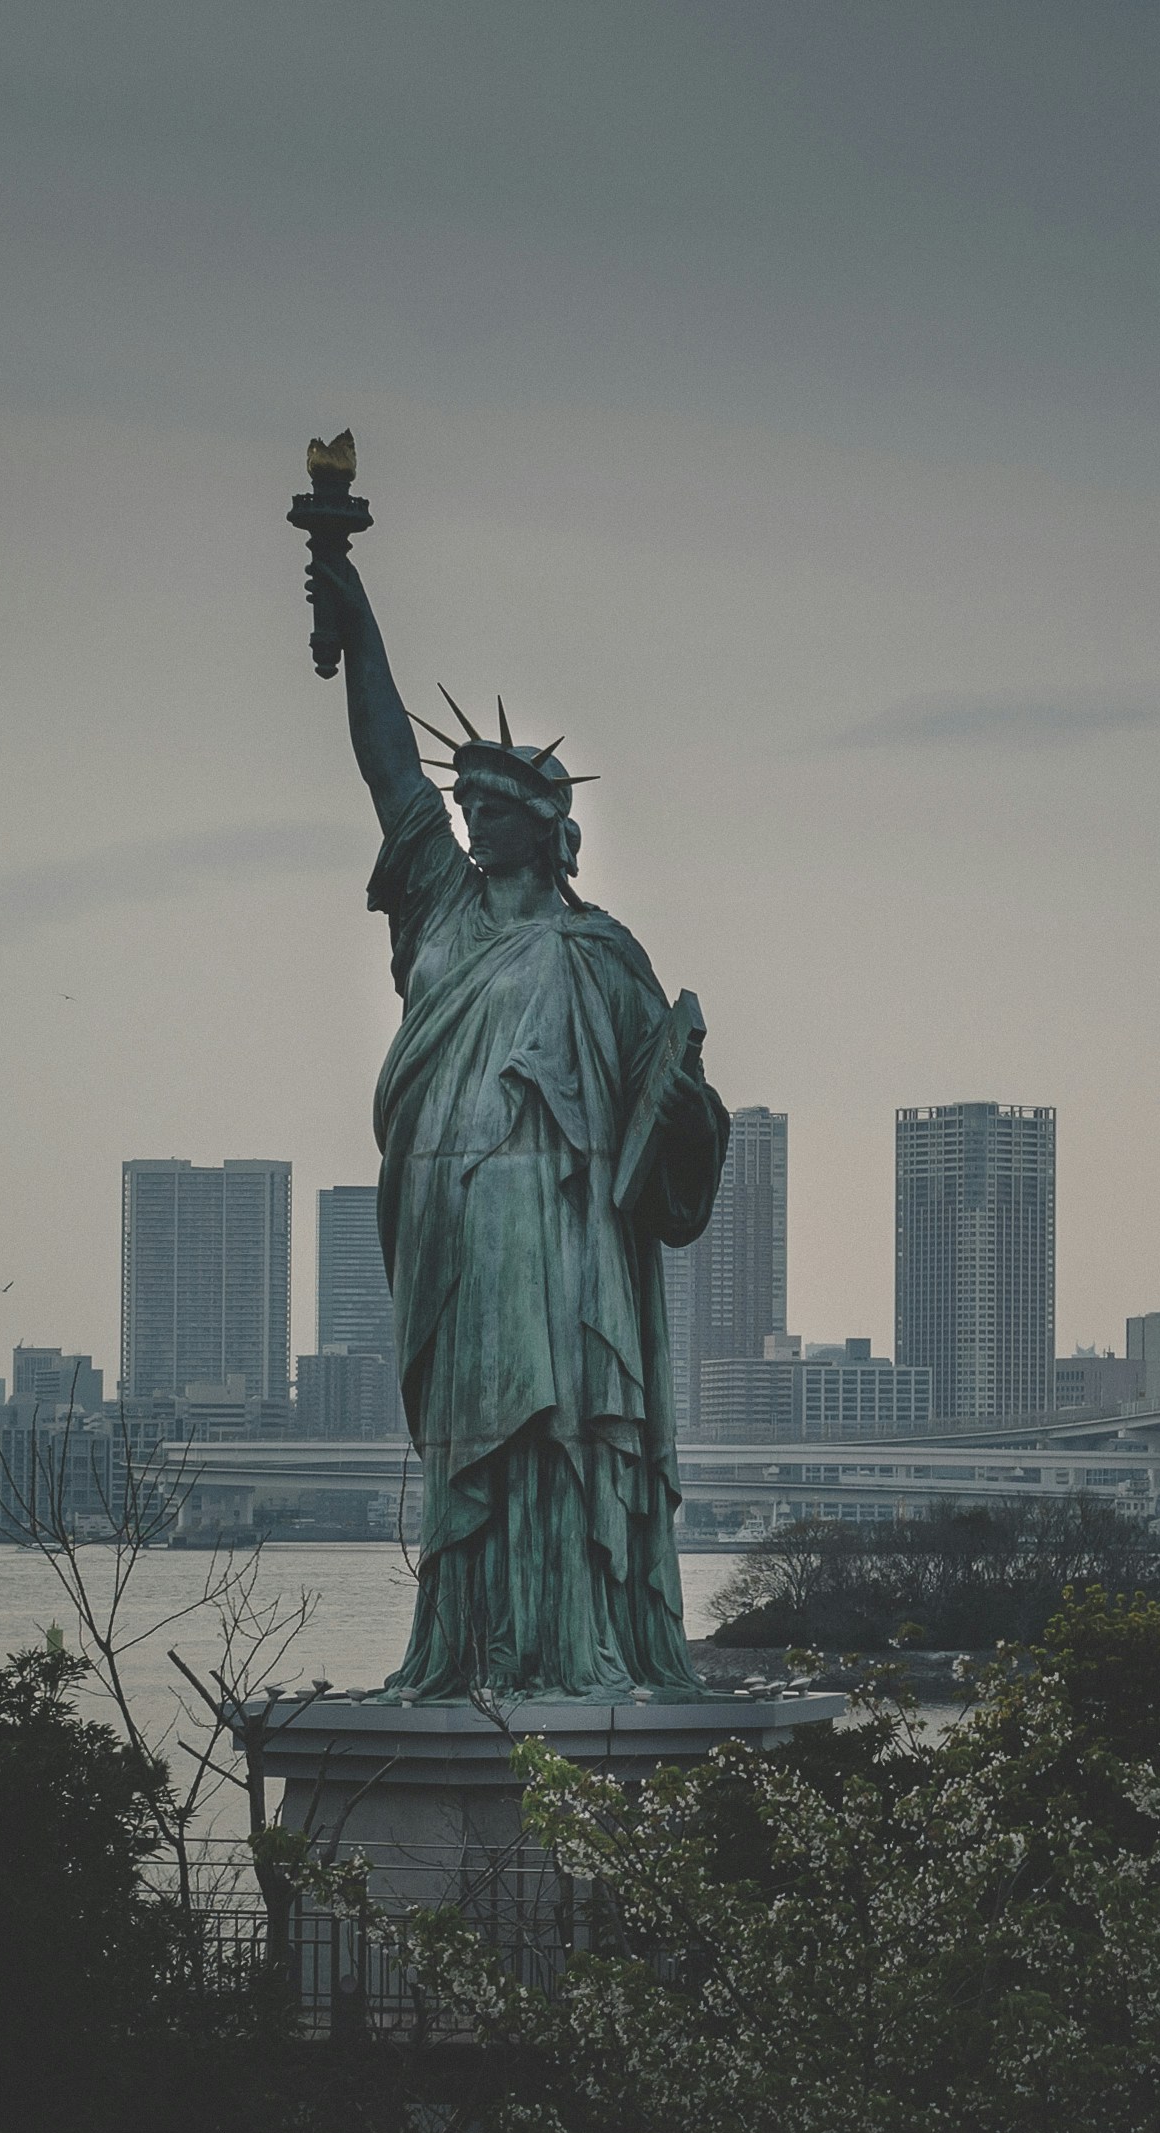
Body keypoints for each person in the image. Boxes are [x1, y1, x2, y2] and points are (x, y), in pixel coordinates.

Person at [307, 546, 725, 1700]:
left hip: (561, 1229)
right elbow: (389, 769)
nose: (473, 824)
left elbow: (667, 1119)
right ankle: (469, 1643)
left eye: (495, 812)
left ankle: (564, 1639)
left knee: (557, 1426)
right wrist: (358, 615)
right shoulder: (439, 908)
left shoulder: (601, 954)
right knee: (468, 1437)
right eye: (468, 810)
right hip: (446, 1220)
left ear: (545, 828)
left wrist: (688, 1102)